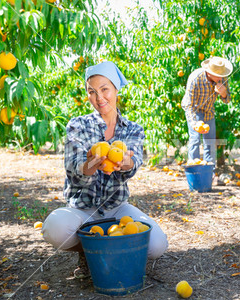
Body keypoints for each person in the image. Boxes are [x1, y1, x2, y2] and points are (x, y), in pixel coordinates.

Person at [42, 61, 168, 278]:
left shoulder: (133, 129)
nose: (99, 97)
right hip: (82, 210)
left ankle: (110, 250)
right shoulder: (77, 125)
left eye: (104, 89)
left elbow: (133, 163)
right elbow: (73, 169)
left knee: (157, 245)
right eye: (92, 91)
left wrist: (125, 163)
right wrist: (92, 164)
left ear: (116, 90)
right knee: (54, 228)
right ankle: (89, 252)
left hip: (116, 208)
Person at [181, 56, 232, 181]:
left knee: (210, 141)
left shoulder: (222, 78)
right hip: (194, 110)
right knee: (195, 139)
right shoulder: (195, 78)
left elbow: (227, 100)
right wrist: (194, 123)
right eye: (217, 75)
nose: (220, 78)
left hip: (209, 112)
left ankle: (209, 172)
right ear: (209, 72)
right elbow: (188, 104)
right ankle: (195, 171)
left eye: (221, 75)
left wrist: (223, 93)